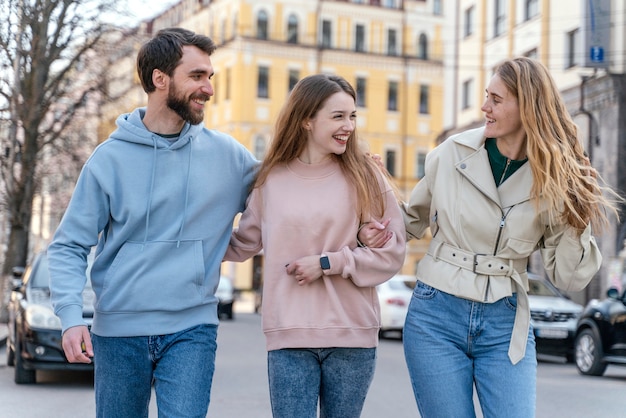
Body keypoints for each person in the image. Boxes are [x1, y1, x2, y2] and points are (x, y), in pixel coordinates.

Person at [359, 56, 621, 417]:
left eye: (496, 100)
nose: (485, 107)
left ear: (527, 107)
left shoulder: (557, 177)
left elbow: (568, 275)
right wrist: (375, 204)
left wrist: (577, 216)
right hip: (437, 314)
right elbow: (410, 221)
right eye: (486, 96)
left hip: (506, 321)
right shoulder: (450, 154)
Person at [47, 28, 258, 417]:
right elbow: (69, 245)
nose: (208, 89)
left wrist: (363, 190)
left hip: (192, 328)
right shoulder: (108, 160)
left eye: (209, 77)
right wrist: (70, 318)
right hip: (118, 333)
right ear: (160, 78)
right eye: (197, 76)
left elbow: (285, 194)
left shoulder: (229, 155)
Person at [223, 73, 406, 418]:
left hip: (351, 334)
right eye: (338, 116)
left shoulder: (366, 176)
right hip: (289, 335)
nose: (349, 126)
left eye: (352, 116)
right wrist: (184, 239)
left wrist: (328, 263)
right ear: (306, 119)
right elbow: (243, 244)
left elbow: (391, 254)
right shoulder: (270, 180)